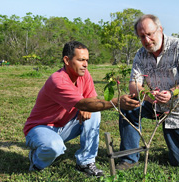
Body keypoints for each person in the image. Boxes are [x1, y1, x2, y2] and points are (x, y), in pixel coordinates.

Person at [23, 41, 140, 177]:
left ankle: (85, 162)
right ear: (67, 60)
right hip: (40, 128)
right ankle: (36, 161)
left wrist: (88, 107)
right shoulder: (58, 80)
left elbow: (92, 101)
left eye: (87, 60)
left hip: (63, 126)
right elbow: (84, 103)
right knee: (54, 147)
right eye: (81, 60)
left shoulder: (84, 75)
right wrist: (116, 102)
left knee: (94, 113)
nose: (85, 64)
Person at [116, 14, 179, 170]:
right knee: (128, 106)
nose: (147, 40)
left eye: (150, 34)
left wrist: (170, 93)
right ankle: (129, 158)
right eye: (142, 36)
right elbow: (133, 85)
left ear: (160, 29)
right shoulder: (140, 54)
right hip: (155, 104)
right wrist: (149, 96)